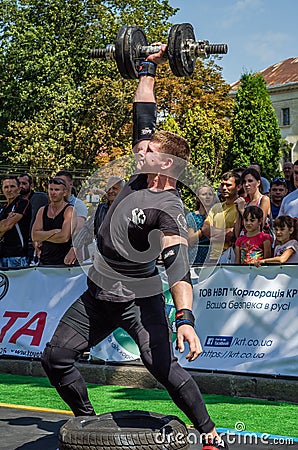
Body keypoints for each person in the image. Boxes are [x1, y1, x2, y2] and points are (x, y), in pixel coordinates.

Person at [41, 46, 228, 450]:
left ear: (165, 164)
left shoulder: (170, 208)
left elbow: (178, 266)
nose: (138, 150)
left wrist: (186, 319)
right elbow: (144, 110)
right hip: (97, 296)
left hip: (138, 302)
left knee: (160, 366)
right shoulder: (141, 177)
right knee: (55, 358)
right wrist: (149, 64)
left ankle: (209, 432)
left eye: (146, 150)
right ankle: (87, 423)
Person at [65, 176, 124, 265]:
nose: (111, 191)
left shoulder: (129, 208)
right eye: (108, 188)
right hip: (103, 260)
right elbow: (87, 229)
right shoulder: (100, 209)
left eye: (115, 188)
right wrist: (74, 248)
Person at [201, 171, 242, 264]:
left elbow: (234, 235)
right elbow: (205, 230)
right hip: (213, 256)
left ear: (238, 187)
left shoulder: (241, 207)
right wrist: (225, 233)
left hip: (231, 255)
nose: (224, 188)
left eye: (228, 185)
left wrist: (213, 234)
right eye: (222, 185)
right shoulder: (216, 207)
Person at [31, 178, 74, 265]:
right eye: (51, 189)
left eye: (57, 190)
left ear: (64, 192)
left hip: (64, 262)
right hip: (44, 261)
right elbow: (34, 236)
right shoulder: (42, 210)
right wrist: (54, 232)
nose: (53, 193)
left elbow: (64, 237)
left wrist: (43, 236)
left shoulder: (69, 210)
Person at [0, 175, 32, 268]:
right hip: (2, 254)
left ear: (18, 189)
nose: (9, 190)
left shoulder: (22, 203)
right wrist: (6, 221)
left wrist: (6, 222)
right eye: (6, 187)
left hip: (17, 256)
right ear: (2, 189)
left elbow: (8, 225)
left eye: (12, 186)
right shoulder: (3, 208)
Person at [18, 173, 48, 263]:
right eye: (19, 183)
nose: (21, 186)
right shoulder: (16, 202)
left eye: (24, 183)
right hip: (20, 245)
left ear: (31, 185)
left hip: (36, 243)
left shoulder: (40, 198)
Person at [235, 167, 272, 234]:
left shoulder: (264, 199)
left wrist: (242, 210)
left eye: (250, 181)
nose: (246, 184)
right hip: (244, 241)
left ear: (258, 183)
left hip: (260, 242)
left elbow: (259, 226)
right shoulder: (245, 203)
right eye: (244, 182)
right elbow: (238, 229)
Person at [186, 184, 216, 264]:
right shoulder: (192, 216)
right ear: (197, 198)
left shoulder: (218, 215)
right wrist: (203, 231)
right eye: (204, 194)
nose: (207, 197)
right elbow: (190, 240)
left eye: (210, 194)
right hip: (196, 256)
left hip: (213, 258)